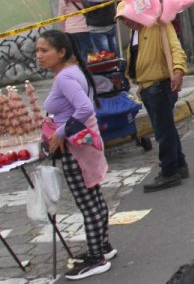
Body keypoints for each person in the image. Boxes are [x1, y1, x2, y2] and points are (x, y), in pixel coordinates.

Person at [36, 30, 115, 280]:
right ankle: (102, 246)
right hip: (84, 143)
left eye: (44, 50)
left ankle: (96, 258)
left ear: (61, 52)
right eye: (37, 51)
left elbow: (84, 107)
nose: (39, 56)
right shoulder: (71, 71)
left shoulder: (65, 77)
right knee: (94, 198)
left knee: (88, 204)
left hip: (76, 148)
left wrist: (60, 132)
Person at [119, 3, 189, 192]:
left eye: (127, 17)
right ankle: (179, 164)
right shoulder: (135, 33)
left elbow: (175, 49)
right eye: (123, 19)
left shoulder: (159, 25)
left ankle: (169, 171)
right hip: (147, 86)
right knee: (167, 128)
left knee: (163, 132)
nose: (126, 22)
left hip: (159, 85)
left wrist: (178, 71)